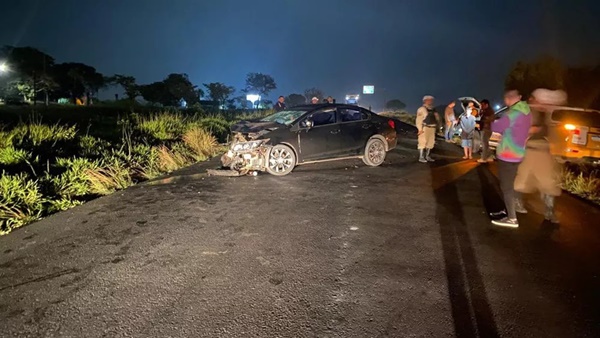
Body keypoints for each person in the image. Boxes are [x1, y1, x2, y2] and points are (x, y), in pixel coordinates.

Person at [514, 89, 566, 224]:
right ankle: (517, 203)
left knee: (548, 182)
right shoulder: (527, 111)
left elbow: (554, 133)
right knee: (522, 179)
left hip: (545, 150)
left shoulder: (548, 114)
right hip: (530, 149)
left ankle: (549, 211)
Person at [490, 89, 532, 227]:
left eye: (505, 99)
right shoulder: (526, 112)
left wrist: (492, 121)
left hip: (507, 154)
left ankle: (512, 219)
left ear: (508, 99)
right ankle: (508, 210)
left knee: (506, 187)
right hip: (518, 153)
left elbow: (496, 127)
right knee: (510, 185)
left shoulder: (512, 113)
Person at [415, 95, 440, 163]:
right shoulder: (422, 109)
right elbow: (419, 120)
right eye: (429, 99)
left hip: (432, 128)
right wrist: (420, 129)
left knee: (430, 143)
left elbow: (437, 119)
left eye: (431, 100)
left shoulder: (433, 110)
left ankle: (427, 156)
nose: (430, 101)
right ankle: (421, 157)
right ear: (425, 100)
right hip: (424, 128)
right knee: (422, 142)